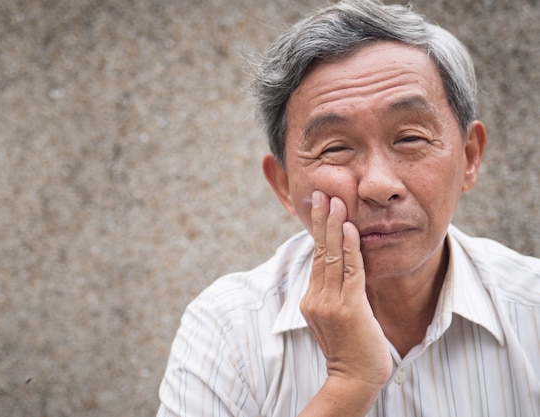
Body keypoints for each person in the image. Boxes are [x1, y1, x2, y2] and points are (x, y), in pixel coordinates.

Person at [157, 0, 540, 416]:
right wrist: (348, 382)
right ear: (283, 184)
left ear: (469, 156)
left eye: (410, 138)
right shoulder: (228, 329)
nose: (379, 185)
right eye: (335, 147)